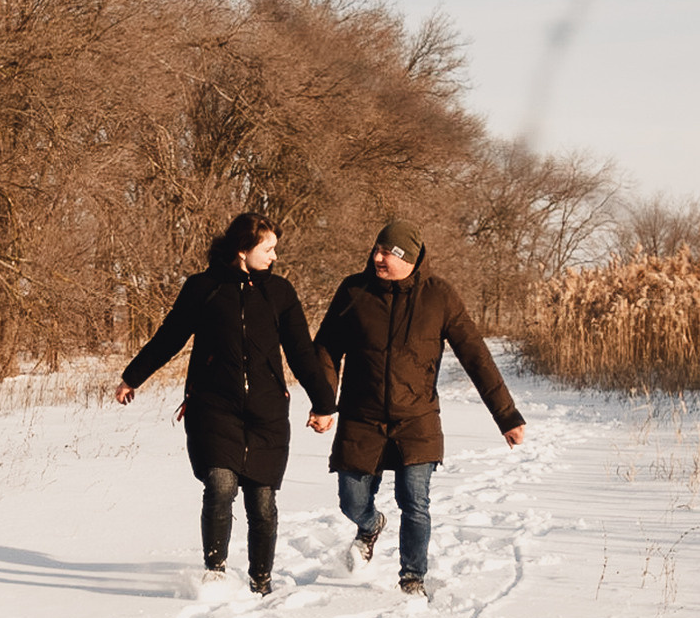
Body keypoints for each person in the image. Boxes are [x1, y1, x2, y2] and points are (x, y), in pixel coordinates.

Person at [117, 212, 339, 593]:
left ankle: (261, 580)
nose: (274, 256)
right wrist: (132, 376)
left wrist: (324, 403)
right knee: (220, 485)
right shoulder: (203, 288)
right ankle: (215, 575)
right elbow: (169, 337)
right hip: (213, 406)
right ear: (242, 249)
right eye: (267, 249)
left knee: (262, 501)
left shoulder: (280, 292)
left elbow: (301, 352)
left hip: (267, 410)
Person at [308, 217, 526, 597]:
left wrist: (506, 415)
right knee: (351, 499)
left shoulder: (439, 296)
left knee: (415, 502)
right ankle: (370, 524)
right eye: (376, 249)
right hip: (361, 416)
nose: (377, 257)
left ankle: (412, 578)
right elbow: (326, 348)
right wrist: (325, 402)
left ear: (410, 259)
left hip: (417, 418)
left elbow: (476, 357)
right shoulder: (353, 291)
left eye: (387, 253)